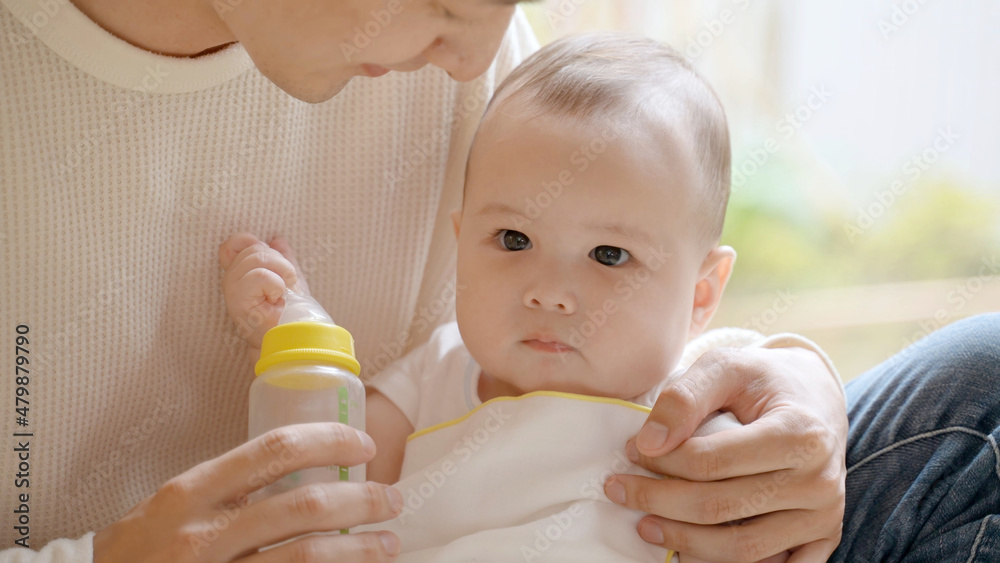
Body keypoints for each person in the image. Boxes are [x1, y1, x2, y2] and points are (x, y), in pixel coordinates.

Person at [1, 0, 995, 561]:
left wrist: (794, 384)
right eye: (445, 1)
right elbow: (338, 442)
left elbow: (657, 275)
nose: (475, 49)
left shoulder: (455, 67)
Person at [219, 31, 810, 563]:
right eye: (513, 239)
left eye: (609, 255)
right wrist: (294, 341)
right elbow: (329, 476)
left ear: (701, 294)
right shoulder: (435, 376)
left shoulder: (696, 401)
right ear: (461, 244)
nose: (549, 293)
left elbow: (775, 481)